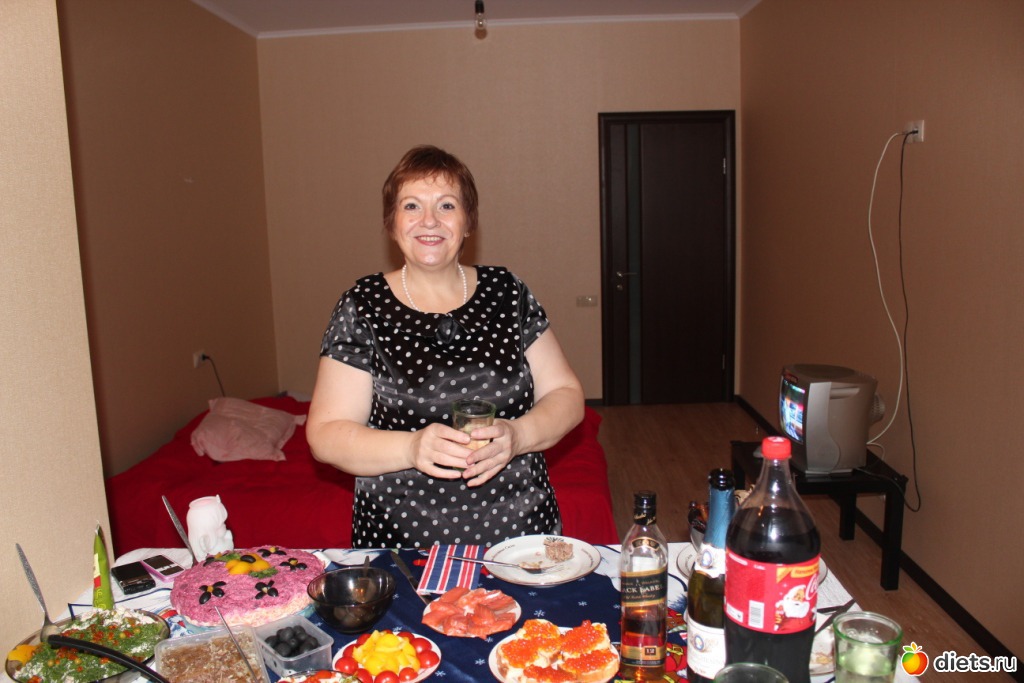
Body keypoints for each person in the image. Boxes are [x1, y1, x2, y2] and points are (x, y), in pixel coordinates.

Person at [307, 145, 585, 548]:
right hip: (401, 541)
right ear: (391, 223)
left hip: (520, 537)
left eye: (447, 205)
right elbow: (325, 434)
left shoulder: (507, 292)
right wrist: (411, 447)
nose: (429, 221)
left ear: (468, 221)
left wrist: (520, 434)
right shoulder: (362, 306)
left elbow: (567, 394)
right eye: (412, 206)